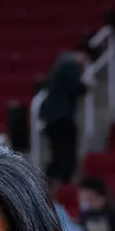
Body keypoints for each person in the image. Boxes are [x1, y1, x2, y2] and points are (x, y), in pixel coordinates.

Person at [38, 43, 92, 184]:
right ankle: (61, 179)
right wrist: (87, 87)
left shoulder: (60, 67)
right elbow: (75, 88)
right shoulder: (70, 67)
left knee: (57, 152)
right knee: (64, 151)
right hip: (61, 118)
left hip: (54, 118)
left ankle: (53, 180)